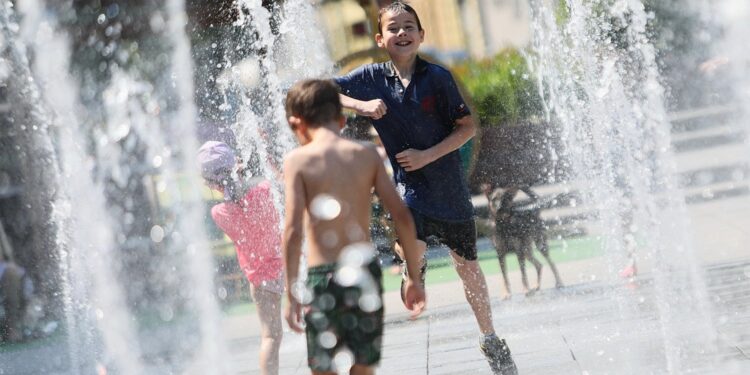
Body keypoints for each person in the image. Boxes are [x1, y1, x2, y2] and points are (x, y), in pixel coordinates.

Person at [334, 2, 518, 373]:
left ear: (421, 35)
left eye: (408, 27)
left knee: (468, 268)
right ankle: (410, 267)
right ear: (380, 38)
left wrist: (427, 155)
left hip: (450, 192)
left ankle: (489, 337)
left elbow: (466, 128)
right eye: (393, 28)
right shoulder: (370, 78)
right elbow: (319, 91)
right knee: (414, 258)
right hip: (409, 193)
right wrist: (361, 106)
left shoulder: (438, 78)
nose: (402, 33)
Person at [282, 79, 426, 375]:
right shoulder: (366, 154)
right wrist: (413, 276)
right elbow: (402, 217)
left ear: (297, 124)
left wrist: (291, 290)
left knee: (324, 367)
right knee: (363, 366)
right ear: (342, 120)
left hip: (323, 277)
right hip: (364, 274)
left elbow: (293, 231)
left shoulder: (298, 160)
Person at [198, 141, 283, 375]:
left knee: (270, 337)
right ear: (237, 164)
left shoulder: (218, 213)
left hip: (260, 278)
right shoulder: (266, 190)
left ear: (208, 182)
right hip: (289, 265)